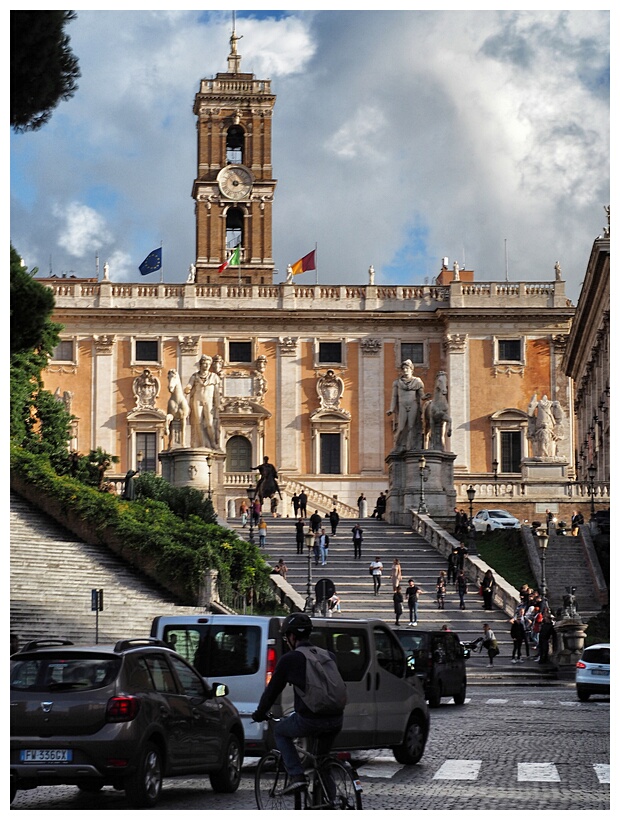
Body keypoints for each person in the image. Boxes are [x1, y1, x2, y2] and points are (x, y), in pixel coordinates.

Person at [251, 613, 345, 795]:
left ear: (292, 637)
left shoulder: (290, 659)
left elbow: (272, 692)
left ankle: (297, 776)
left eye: (287, 637)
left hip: (310, 720)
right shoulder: (328, 656)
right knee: (322, 760)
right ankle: (330, 803)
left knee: (280, 732)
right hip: (336, 719)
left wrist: (259, 713)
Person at [387, 359, 426, 451]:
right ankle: (398, 446)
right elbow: (394, 397)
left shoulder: (417, 381)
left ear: (411, 369)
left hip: (413, 405)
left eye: (407, 368)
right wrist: (391, 409)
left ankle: (410, 447)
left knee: (411, 426)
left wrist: (425, 397)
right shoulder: (397, 383)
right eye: (403, 368)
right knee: (401, 427)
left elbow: (421, 395)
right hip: (402, 406)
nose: (405, 370)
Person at [185, 354, 221, 449]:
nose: (206, 366)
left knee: (209, 423)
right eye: (205, 363)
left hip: (209, 401)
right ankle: (202, 444)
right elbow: (189, 385)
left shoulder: (214, 377)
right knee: (198, 422)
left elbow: (217, 393)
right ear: (201, 364)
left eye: (208, 364)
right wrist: (187, 388)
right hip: (197, 400)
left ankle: (213, 443)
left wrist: (218, 404)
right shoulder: (195, 376)